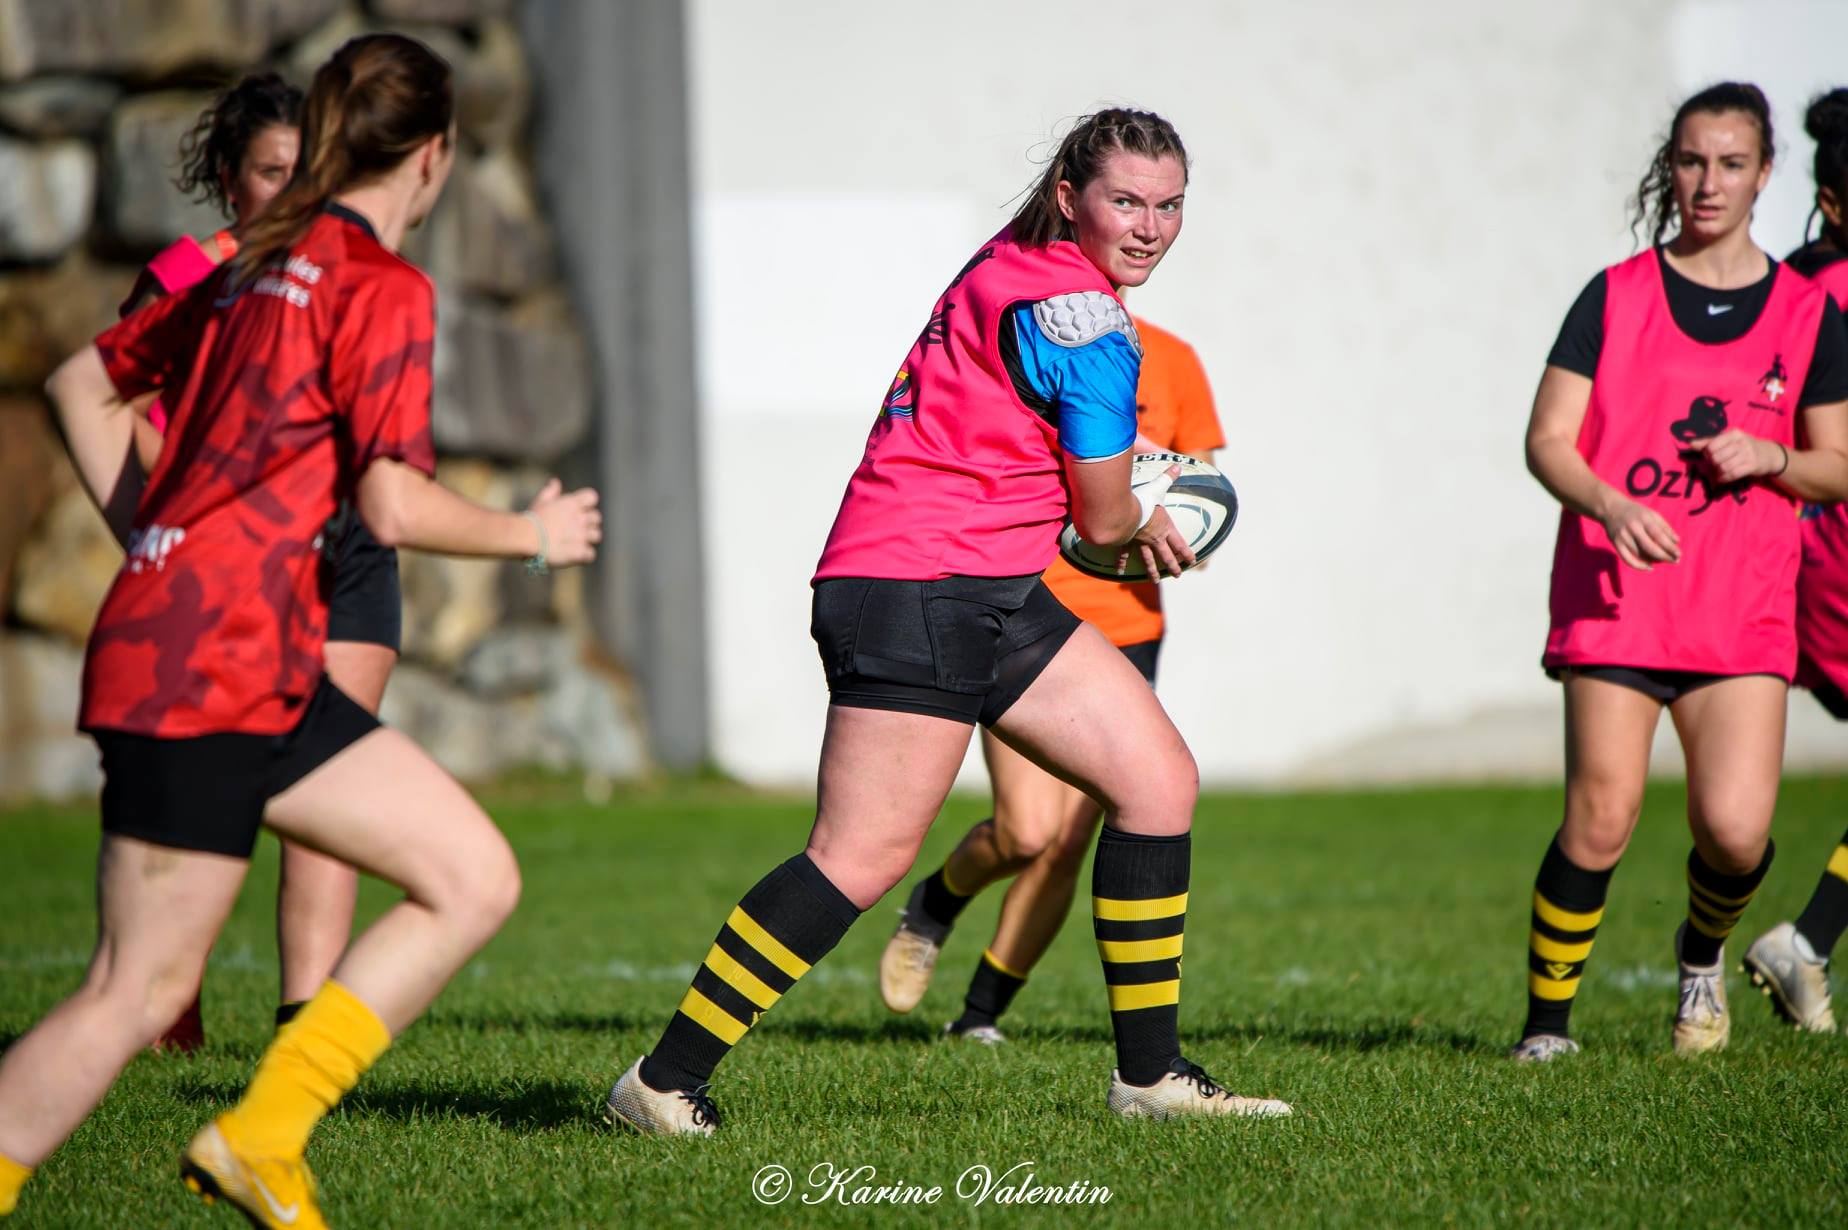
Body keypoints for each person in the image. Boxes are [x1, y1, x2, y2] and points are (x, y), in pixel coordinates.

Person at [0, 34, 600, 1227]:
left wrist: (159, 542)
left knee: (471, 875)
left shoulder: (243, 257)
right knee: (136, 990)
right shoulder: (380, 285)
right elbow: (388, 500)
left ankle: (264, 1137)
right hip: (213, 663)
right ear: (430, 158)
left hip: (244, 651)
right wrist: (527, 536)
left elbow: (83, 380)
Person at [604, 107, 1290, 1135]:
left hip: (982, 584)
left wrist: (1112, 502)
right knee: (859, 857)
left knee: (1155, 781)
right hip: (921, 587)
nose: (1149, 226)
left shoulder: (1008, 260)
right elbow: (1101, 524)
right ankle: (660, 1084)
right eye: (1126, 202)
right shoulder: (1095, 328)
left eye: (1170, 205)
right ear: (1072, 197)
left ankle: (1149, 1080)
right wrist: (1152, 520)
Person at [1514, 82, 1848, 1063]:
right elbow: (1547, 441)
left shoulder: (1805, 312)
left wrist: (1771, 458)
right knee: (1601, 817)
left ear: (1765, 175)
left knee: (1737, 834)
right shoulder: (1613, 294)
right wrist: (1610, 504)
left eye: (1732, 164)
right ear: (1673, 168)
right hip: (1618, 598)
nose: (1709, 183)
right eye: (1693, 162)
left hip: (1740, 604)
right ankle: (1546, 1030)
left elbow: (1838, 461)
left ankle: (1701, 957)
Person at [123, 70, 398, 1056]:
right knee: (210, 784)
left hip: (347, 561)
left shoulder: (356, 272)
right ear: (226, 179)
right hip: (225, 572)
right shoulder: (189, 279)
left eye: (306, 171)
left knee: (330, 788)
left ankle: (300, 1025)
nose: (290, 193)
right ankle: (162, 989)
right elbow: (119, 409)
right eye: (269, 172)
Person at [877, 316, 1224, 1043]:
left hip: (1127, 629)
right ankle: (937, 902)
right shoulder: (1023, 341)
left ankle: (978, 1018)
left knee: (1070, 841)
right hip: (1023, 614)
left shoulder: (1174, 358)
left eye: (1159, 209)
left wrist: (1188, 534)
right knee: (1027, 831)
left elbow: (1201, 487)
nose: (1142, 233)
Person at [1742, 86, 1848, 1035]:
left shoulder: (1788, 284)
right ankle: (1806, 941)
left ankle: (1808, 941)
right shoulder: (1830, 297)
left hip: (1795, 562)